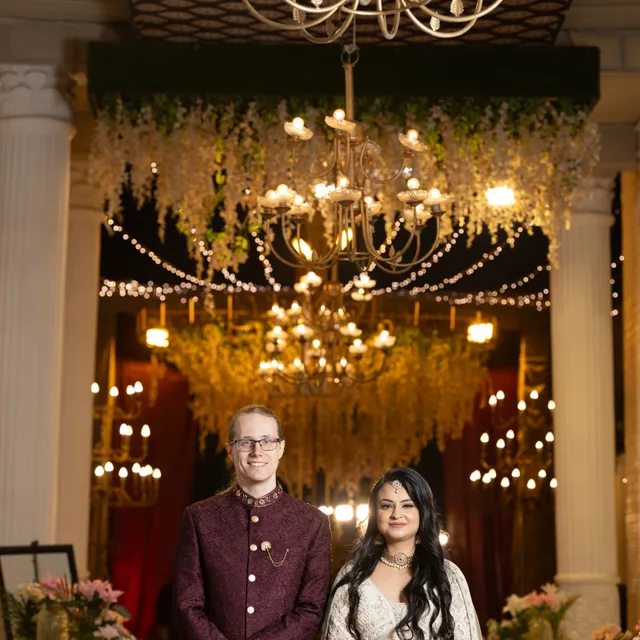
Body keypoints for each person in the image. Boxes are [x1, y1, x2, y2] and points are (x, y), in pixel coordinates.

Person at [173, 405, 332, 640]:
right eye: (246, 442)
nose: (257, 451)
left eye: (267, 441)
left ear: (280, 448)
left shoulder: (312, 522)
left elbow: (312, 609)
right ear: (230, 449)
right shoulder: (199, 517)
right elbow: (187, 604)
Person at [323, 468, 481, 640]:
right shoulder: (353, 575)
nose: (396, 514)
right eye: (386, 506)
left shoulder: (448, 574)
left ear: (423, 512)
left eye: (407, 505)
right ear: (375, 514)